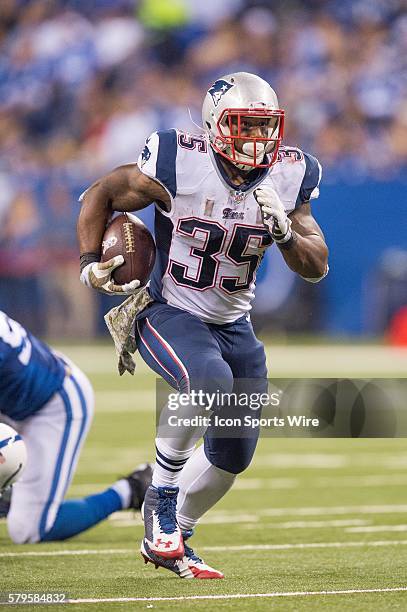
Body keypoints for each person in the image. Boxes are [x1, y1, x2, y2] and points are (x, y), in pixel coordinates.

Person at [78, 72, 329, 578]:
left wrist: (284, 233)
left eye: (265, 128)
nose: (256, 140)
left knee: (232, 455)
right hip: (169, 310)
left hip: (235, 323)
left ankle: (174, 539)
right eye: (243, 126)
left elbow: (317, 264)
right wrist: (88, 259)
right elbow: (100, 192)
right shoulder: (178, 160)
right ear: (216, 126)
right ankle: (161, 502)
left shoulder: (290, 174)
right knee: (209, 380)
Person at [0, 309, 152, 543]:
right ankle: (10, 497)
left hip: (52, 404)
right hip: (14, 401)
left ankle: (132, 490)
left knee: (29, 528)